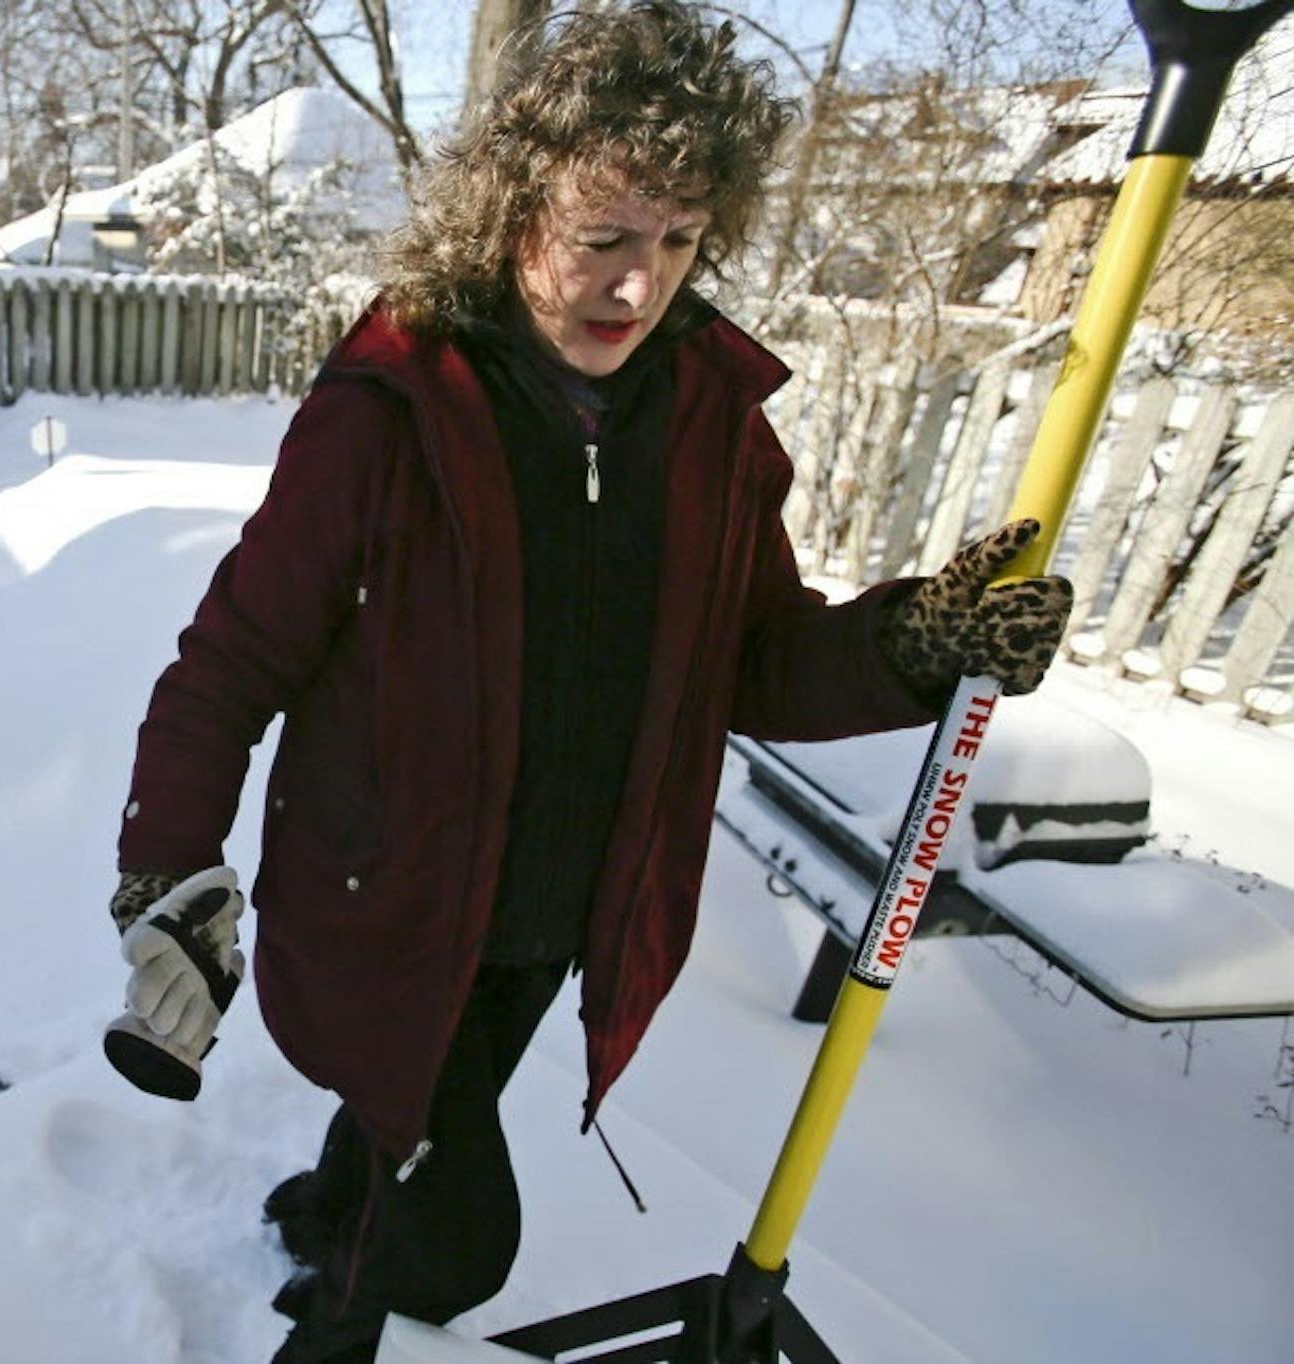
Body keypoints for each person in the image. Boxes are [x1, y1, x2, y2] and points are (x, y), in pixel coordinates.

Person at [99, 5, 1074, 1360]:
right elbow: (233, 659)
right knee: (454, 1232)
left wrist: (917, 643)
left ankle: (339, 1206)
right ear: (510, 213)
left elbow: (757, 660)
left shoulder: (710, 431)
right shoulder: (392, 410)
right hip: (394, 893)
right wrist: (168, 864)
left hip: (563, 907)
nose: (640, 286)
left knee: (422, 1114)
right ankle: (341, 1324)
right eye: (604, 239)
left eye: (677, 243)